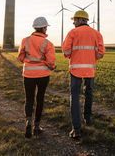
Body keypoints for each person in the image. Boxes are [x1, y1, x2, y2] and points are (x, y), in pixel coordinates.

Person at [62, 10, 105, 139]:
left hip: (75, 69)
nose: (74, 22)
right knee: (89, 93)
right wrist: (92, 58)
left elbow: (65, 50)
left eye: (75, 20)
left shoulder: (72, 33)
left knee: (75, 96)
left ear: (81, 20)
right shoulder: (97, 34)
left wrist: (71, 56)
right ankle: (88, 118)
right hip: (90, 69)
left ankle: (76, 129)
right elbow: (101, 53)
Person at [18, 17, 57, 138]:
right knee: (40, 99)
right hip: (43, 75)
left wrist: (28, 61)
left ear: (35, 27)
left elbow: (20, 57)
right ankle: (37, 126)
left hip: (28, 74)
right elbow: (50, 62)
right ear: (44, 28)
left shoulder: (25, 40)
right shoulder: (48, 44)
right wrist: (51, 66)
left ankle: (28, 121)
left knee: (29, 99)